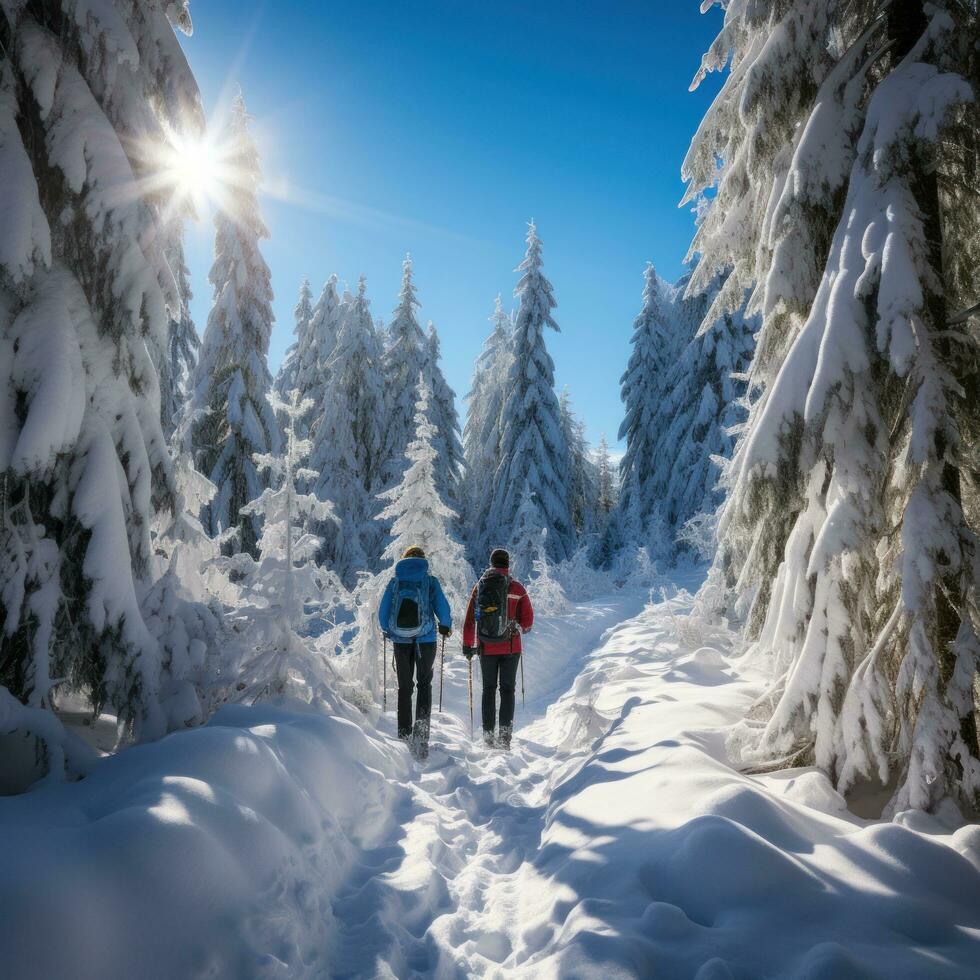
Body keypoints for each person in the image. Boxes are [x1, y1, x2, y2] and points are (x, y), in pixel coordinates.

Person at [379, 546, 452, 760]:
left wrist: (388, 630)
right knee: (424, 685)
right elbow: (443, 608)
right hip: (426, 640)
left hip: (400, 641)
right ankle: (421, 737)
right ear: (423, 560)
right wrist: (445, 626)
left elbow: (383, 612)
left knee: (404, 687)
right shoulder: (430, 581)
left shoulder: (395, 582)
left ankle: (403, 736)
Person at [462, 548, 533, 750]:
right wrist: (519, 627)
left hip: (486, 647)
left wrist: (468, 645)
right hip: (511, 647)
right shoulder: (517, 588)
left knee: (488, 690)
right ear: (508, 565)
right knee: (508, 690)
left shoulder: (480, 587)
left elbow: (469, 620)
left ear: (491, 564)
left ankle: (488, 736)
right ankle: (505, 737)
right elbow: (528, 623)